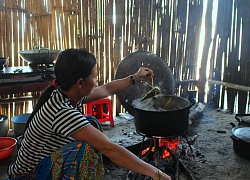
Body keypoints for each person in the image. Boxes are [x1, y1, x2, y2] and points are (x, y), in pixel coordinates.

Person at [7, 48, 172, 180]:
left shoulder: (66, 92)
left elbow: (106, 89)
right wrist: (157, 174)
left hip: (43, 162)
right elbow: (110, 149)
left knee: (90, 122)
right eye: (94, 75)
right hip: (29, 175)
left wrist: (135, 77)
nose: (96, 79)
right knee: (85, 149)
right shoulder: (61, 111)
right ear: (80, 83)